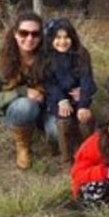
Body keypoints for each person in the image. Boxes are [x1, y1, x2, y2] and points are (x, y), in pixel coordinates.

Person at [0, 11, 47, 170]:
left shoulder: (48, 56)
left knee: (55, 133)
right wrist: (23, 92)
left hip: (46, 107)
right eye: (24, 33)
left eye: (35, 34)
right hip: (17, 110)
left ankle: (47, 140)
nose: (29, 38)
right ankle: (23, 147)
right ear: (15, 34)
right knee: (25, 105)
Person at [43, 18, 97, 163]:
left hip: (79, 97)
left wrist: (84, 104)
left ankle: (88, 155)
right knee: (64, 123)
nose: (62, 41)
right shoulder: (47, 57)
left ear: (72, 37)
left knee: (84, 121)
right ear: (51, 39)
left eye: (66, 37)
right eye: (58, 38)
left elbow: (87, 79)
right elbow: (49, 83)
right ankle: (67, 159)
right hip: (59, 100)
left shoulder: (81, 54)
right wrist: (61, 100)